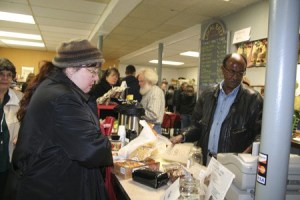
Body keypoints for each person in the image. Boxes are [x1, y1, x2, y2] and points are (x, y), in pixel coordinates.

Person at [4, 39, 113, 200]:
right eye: (92, 71)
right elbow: (91, 150)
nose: (96, 78)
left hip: (46, 181)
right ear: (70, 68)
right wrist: (107, 145)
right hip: (47, 187)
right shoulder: (63, 97)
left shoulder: (55, 88)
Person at [170, 53, 263, 165]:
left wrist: (245, 156)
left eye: (240, 73)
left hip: (232, 164)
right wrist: (182, 136)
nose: (236, 77)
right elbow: (198, 126)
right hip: (205, 160)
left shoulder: (253, 99)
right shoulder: (207, 95)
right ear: (222, 70)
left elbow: (261, 135)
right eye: (232, 72)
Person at [0, 58, 23, 200]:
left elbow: (26, 121)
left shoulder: (19, 98)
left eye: (9, 75)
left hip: (7, 158)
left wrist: (21, 134)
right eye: (1, 73)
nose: (5, 78)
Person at [137, 68, 165, 134]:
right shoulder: (147, 91)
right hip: (148, 126)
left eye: (141, 81)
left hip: (153, 128)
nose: (139, 83)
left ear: (149, 81)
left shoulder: (155, 92)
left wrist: (138, 112)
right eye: (139, 81)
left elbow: (153, 115)